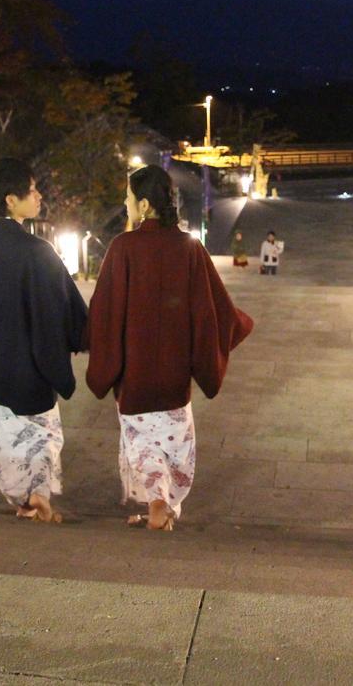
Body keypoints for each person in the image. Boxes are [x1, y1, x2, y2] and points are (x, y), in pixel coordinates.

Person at [86, 166, 254, 531]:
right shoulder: (189, 248)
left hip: (135, 378)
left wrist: (101, 359)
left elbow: (104, 312)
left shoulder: (122, 248)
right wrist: (236, 325)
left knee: (141, 446)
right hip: (175, 379)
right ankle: (163, 506)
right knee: (173, 448)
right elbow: (215, 310)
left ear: (144, 205)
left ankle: (156, 504)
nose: (125, 205)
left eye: (128, 199)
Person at [0, 158, 87, 523]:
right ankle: (38, 499)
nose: (39, 195)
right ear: (11, 200)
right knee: (39, 439)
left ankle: (24, 500)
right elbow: (64, 310)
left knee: (3, 440)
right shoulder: (37, 251)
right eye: (32, 189)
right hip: (33, 370)